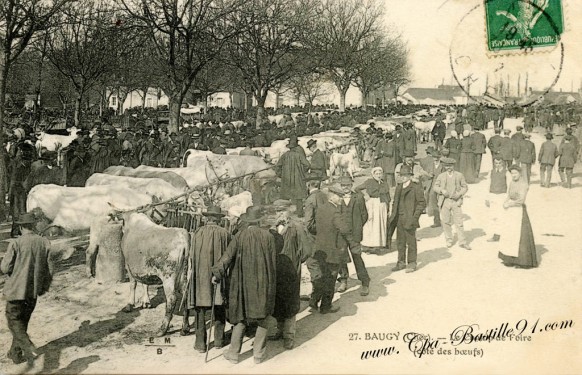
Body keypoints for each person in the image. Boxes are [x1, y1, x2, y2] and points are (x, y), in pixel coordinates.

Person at [211, 206, 277, 364]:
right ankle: (258, 355)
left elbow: (227, 257)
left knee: (240, 317)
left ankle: (233, 354)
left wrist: (217, 274)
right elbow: (273, 263)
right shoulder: (268, 237)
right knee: (263, 316)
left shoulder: (239, 236)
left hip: (242, 284)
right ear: (259, 220)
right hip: (262, 283)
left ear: (247, 221)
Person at [1, 212, 53, 364]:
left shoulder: (15, 243)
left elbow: (5, 268)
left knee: (13, 321)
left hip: (16, 291)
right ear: (34, 225)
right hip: (33, 291)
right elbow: (50, 268)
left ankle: (27, 344)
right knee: (22, 322)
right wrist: (44, 286)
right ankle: (15, 353)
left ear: (21, 227)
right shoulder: (44, 242)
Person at [188, 206, 230, 353]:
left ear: (207, 218)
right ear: (218, 219)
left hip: (200, 277)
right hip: (218, 277)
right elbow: (228, 257)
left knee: (200, 310)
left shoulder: (197, 233)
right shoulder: (225, 234)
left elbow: (192, 256)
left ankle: (200, 344)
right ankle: (219, 340)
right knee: (219, 306)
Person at [271, 210, 312, 350]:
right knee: (277, 301)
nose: (280, 214)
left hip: (291, 271)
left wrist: (296, 262)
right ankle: (279, 330)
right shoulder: (272, 228)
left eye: (283, 210)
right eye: (278, 211)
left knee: (290, 301)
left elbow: (307, 249)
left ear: (289, 212)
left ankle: (289, 335)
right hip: (276, 271)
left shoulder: (297, 227)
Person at [312, 186, 354, 314]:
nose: (342, 199)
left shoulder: (321, 209)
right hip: (333, 250)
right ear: (333, 196)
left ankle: (313, 301)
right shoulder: (335, 212)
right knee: (331, 279)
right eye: (340, 196)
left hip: (320, 249)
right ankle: (326, 306)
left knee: (322, 276)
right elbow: (344, 229)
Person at [497, 165, 539, 268]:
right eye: (512, 173)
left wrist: (509, 204)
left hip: (518, 211)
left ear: (520, 173)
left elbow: (521, 200)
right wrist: (505, 202)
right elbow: (508, 195)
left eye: (515, 173)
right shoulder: (512, 183)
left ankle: (522, 261)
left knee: (519, 235)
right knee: (509, 234)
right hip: (510, 211)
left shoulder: (524, 184)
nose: (514, 175)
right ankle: (509, 259)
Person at [336, 176, 371, 295]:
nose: (345, 188)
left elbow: (364, 215)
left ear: (351, 185)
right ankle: (343, 280)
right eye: (343, 185)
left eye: (347, 185)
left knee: (357, 257)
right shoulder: (337, 198)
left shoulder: (359, 197)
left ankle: (365, 282)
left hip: (354, 234)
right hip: (340, 234)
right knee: (341, 257)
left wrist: (357, 226)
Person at [390, 165, 426, 273]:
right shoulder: (399, 187)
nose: (403, 177)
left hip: (410, 219)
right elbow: (395, 202)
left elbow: (422, 203)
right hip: (399, 219)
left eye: (406, 175)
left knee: (411, 242)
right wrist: (393, 215)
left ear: (410, 176)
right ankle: (400, 262)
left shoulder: (415, 187)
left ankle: (412, 263)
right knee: (400, 242)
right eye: (402, 175)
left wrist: (414, 217)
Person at [433, 157, 471, 250]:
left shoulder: (459, 175)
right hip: (445, 201)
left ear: (453, 166)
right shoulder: (441, 176)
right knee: (446, 221)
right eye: (446, 166)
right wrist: (441, 190)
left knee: (459, 222)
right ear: (444, 166)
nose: (448, 168)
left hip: (456, 201)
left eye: (450, 166)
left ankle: (462, 241)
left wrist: (459, 194)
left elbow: (465, 187)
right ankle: (449, 239)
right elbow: (435, 187)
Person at [276, 135, 310, 217]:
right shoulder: (299, 155)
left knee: (288, 195)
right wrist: (302, 172)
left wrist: (281, 175)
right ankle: (300, 213)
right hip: (298, 178)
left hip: (287, 179)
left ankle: (286, 214)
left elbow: (278, 167)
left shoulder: (284, 156)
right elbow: (307, 165)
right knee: (299, 197)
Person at [419, 147, 444, 227]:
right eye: (434, 157)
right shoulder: (430, 165)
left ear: (439, 157)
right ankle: (437, 221)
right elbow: (427, 175)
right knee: (433, 203)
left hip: (441, 186)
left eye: (437, 157)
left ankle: (446, 219)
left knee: (444, 203)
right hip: (432, 186)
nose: (435, 159)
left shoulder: (443, 165)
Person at [485, 158, 508, 242]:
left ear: (503, 163)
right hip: (493, 196)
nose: (498, 165)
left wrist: (507, 199)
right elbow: (488, 185)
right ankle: (495, 235)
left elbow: (508, 186)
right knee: (493, 216)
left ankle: (502, 235)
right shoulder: (491, 172)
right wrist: (487, 198)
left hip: (502, 196)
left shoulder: (506, 173)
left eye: (499, 163)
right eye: (496, 163)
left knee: (501, 216)